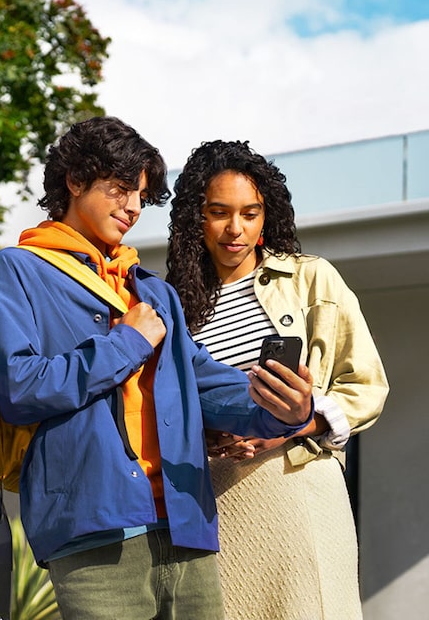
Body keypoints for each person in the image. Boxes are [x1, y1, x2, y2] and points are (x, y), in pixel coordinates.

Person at [0, 117, 313, 620]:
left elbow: (201, 381)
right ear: (74, 181)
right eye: (119, 190)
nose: (133, 208)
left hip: (186, 521)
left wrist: (279, 407)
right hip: (93, 531)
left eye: (139, 195)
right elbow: (23, 388)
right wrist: (128, 342)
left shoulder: (154, 292)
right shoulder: (16, 270)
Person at [165, 139, 389, 620]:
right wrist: (211, 435)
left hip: (298, 486)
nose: (235, 229)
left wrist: (291, 426)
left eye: (250, 213)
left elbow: (366, 386)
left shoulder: (312, 280)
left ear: (266, 217)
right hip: (218, 503)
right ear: (194, 219)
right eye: (219, 212)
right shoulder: (176, 309)